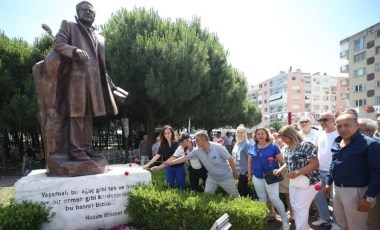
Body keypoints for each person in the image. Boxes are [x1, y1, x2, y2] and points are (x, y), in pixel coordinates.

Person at [52, 1, 123, 161]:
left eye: (90, 10)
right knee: (77, 115)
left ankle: (87, 148)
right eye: (84, 10)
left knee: (89, 116)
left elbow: (100, 64)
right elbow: (58, 44)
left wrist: (110, 84)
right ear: (77, 13)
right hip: (76, 81)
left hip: (95, 82)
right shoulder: (69, 25)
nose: (88, 12)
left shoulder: (99, 36)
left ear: (94, 14)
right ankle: (76, 151)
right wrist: (74, 50)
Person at [325, 114, 380, 230]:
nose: (342, 129)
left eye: (346, 125)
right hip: (337, 189)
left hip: (357, 192)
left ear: (357, 125)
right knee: (341, 224)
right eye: (339, 126)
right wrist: (328, 182)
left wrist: (369, 197)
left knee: (357, 227)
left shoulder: (370, 144)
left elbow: (378, 172)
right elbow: (334, 164)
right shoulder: (337, 142)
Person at [153, 130, 240, 197]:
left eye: (197, 140)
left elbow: (231, 159)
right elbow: (185, 158)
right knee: (207, 196)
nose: (195, 141)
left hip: (225, 177)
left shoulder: (218, 147)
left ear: (203, 140)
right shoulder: (197, 150)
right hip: (212, 177)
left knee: (235, 197)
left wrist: (235, 173)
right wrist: (169, 163)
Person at [278, 125, 320, 230]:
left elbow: (315, 164)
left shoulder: (305, 144)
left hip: (309, 181)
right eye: (281, 139)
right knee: (295, 207)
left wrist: (297, 172)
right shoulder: (287, 147)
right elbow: (288, 163)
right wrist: (281, 170)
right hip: (295, 181)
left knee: (301, 208)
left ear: (292, 135)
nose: (283, 141)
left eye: (285, 138)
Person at [247, 127, 289, 230]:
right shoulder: (252, 147)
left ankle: (285, 223)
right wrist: (249, 174)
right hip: (257, 177)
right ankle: (261, 221)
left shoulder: (273, 146)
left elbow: (284, 163)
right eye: (258, 134)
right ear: (255, 136)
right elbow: (250, 162)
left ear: (266, 135)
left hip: (271, 176)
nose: (260, 135)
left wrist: (279, 170)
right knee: (262, 198)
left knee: (274, 198)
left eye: (262, 133)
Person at [312, 112, 339, 228]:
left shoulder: (340, 133)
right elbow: (315, 151)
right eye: (321, 120)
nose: (323, 122)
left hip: (334, 172)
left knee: (336, 200)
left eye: (325, 119)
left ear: (334, 120)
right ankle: (325, 218)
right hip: (319, 170)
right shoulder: (319, 134)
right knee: (318, 196)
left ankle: (337, 224)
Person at [231, 124, 250, 197]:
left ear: (245, 134)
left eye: (241, 132)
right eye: (238, 132)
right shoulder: (236, 143)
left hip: (244, 172)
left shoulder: (247, 144)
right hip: (237, 171)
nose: (239, 134)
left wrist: (249, 171)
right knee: (239, 190)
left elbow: (250, 158)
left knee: (242, 191)